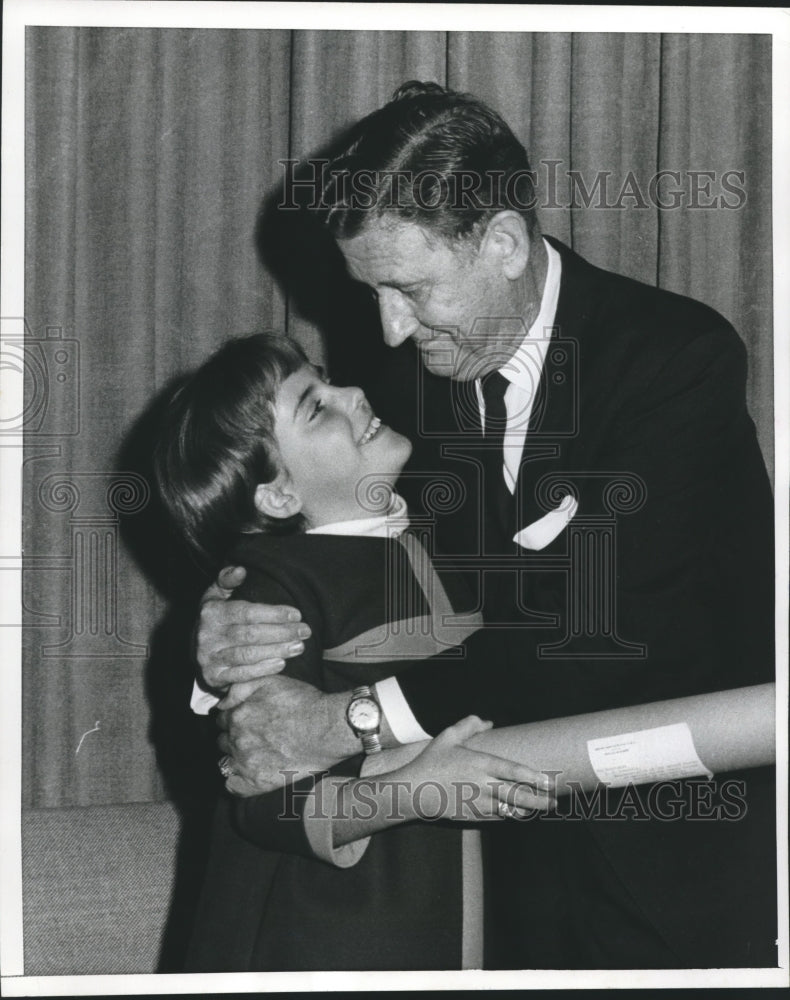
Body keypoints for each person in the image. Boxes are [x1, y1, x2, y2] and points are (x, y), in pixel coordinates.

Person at [195, 83, 776, 968]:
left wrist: (349, 721)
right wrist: (228, 634)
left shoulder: (671, 361)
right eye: (374, 292)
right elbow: (346, 568)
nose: (388, 329)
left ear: (502, 243)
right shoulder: (401, 390)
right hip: (502, 886)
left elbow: (597, 641)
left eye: (409, 289)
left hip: (678, 868)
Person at [154, 331, 555, 971]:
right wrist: (412, 791)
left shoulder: (433, 537)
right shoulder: (269, 596)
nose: (353, 393)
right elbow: (263, 800)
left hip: (451, 923)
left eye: (325, 377)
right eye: (315, 406)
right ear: (279, 494)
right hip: (324, 938)